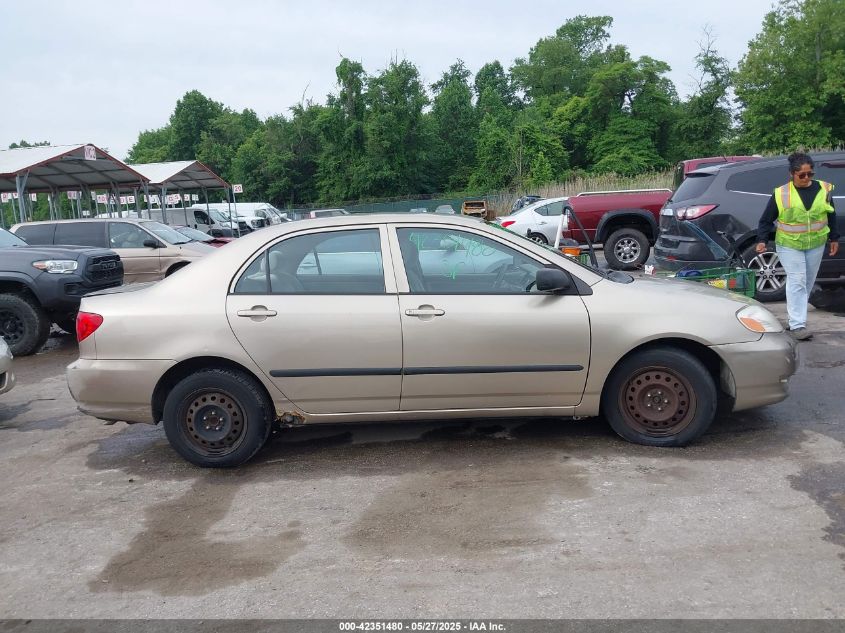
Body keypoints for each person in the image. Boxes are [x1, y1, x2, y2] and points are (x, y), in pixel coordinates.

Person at [755, 152, 839, 340]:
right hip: (789, 244)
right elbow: (766, 220)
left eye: (810, 174)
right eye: (802, 175)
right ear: (792, 174)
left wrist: (834, 238)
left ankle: (796, 318)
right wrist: (762, 240)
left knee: (807, 282)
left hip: (815, 244)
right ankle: (797, 325)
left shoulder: (824, 190)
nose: (806, 178)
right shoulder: (781, 193)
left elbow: (831, 215)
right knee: (797, 280)